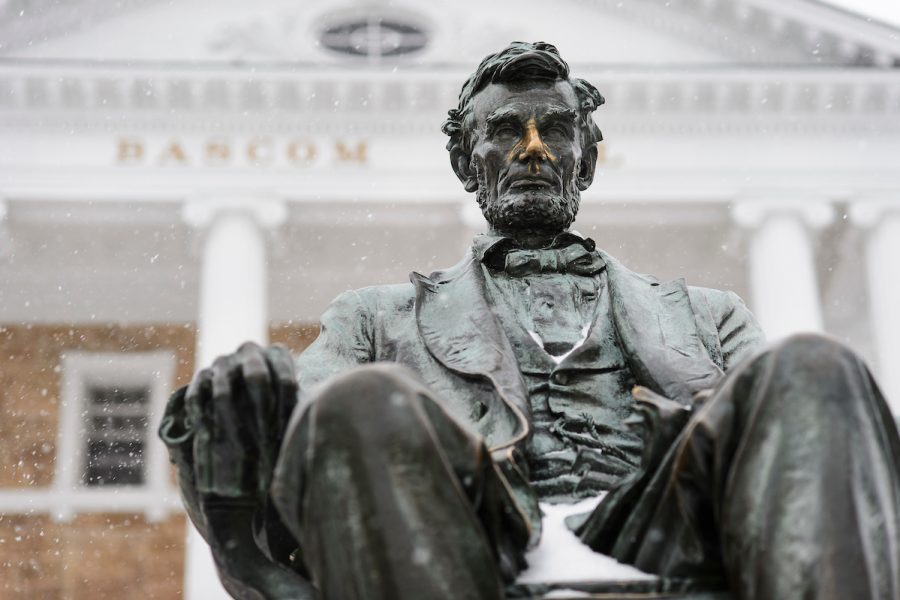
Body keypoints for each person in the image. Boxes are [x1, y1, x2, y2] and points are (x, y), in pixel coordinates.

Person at [160, 42, 900, 600]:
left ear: (587, 161)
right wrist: (230, 405)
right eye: (508, 130)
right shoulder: (377, 318)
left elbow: (792, 457)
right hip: (471, 528)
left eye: (556, 130)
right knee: (362, 401)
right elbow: (289, 446)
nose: (535, 150)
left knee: (814, 367)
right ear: (465, 161)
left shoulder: (709, 316)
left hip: (658, 519)